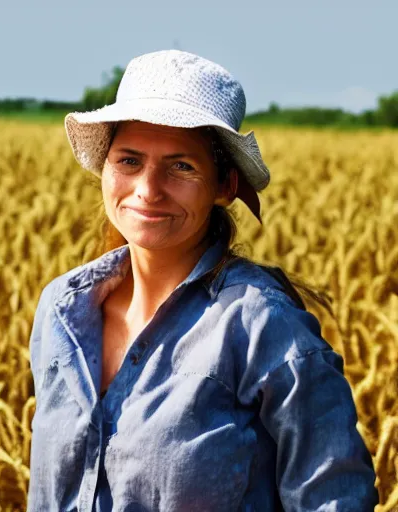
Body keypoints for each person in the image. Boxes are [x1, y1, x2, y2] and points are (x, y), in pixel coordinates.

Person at [27, 50, 379, 511]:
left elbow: (334, 500)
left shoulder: (262, 325)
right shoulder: (61, 311)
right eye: (129, 161)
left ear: (224, 186)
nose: (148, 189)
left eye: (181, 167)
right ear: (105, 168)